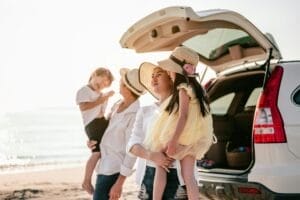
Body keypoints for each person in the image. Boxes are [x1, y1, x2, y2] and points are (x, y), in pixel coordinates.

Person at [143, 46, 214, 200]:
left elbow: (183, 115)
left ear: (176, 70)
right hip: (194, 139)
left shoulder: (183, 89)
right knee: (188, 176)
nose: (169, 72)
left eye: (170, 69)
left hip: (181, 135)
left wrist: (173, 141)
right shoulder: (199, 89)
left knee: (161, 164)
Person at [126, 64, 188, 199]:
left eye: (159, 74)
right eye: (152, 76)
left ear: (171, 78)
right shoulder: (144, 111)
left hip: (179, 175)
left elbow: (196, 139)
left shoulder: (184, 109)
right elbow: (131, 145)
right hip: (149, 173)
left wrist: (178, 149)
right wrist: (152, 156)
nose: (153, 78)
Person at [90, 68, 145, 200]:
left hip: (114, 170)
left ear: (127, 87)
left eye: (122, 81)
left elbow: (132, 152)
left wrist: (119, 183)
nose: (119, 82)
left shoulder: (136, 114)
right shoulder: (117, 104)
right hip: (103, 165)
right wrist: (93, 141)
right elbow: (105, 131)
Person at [76, 67, 114, 194]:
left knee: (107, 151)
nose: (101, 87)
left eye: (104, 85)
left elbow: (101, 111)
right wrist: (102, 99)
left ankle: (103, 176)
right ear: (94, 75)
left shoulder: (101, 94)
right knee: (96, 153)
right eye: (99, 83)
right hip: (92, 124)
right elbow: (84, 107)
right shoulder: (84, 90)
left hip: (101, 122)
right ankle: (86, 181)